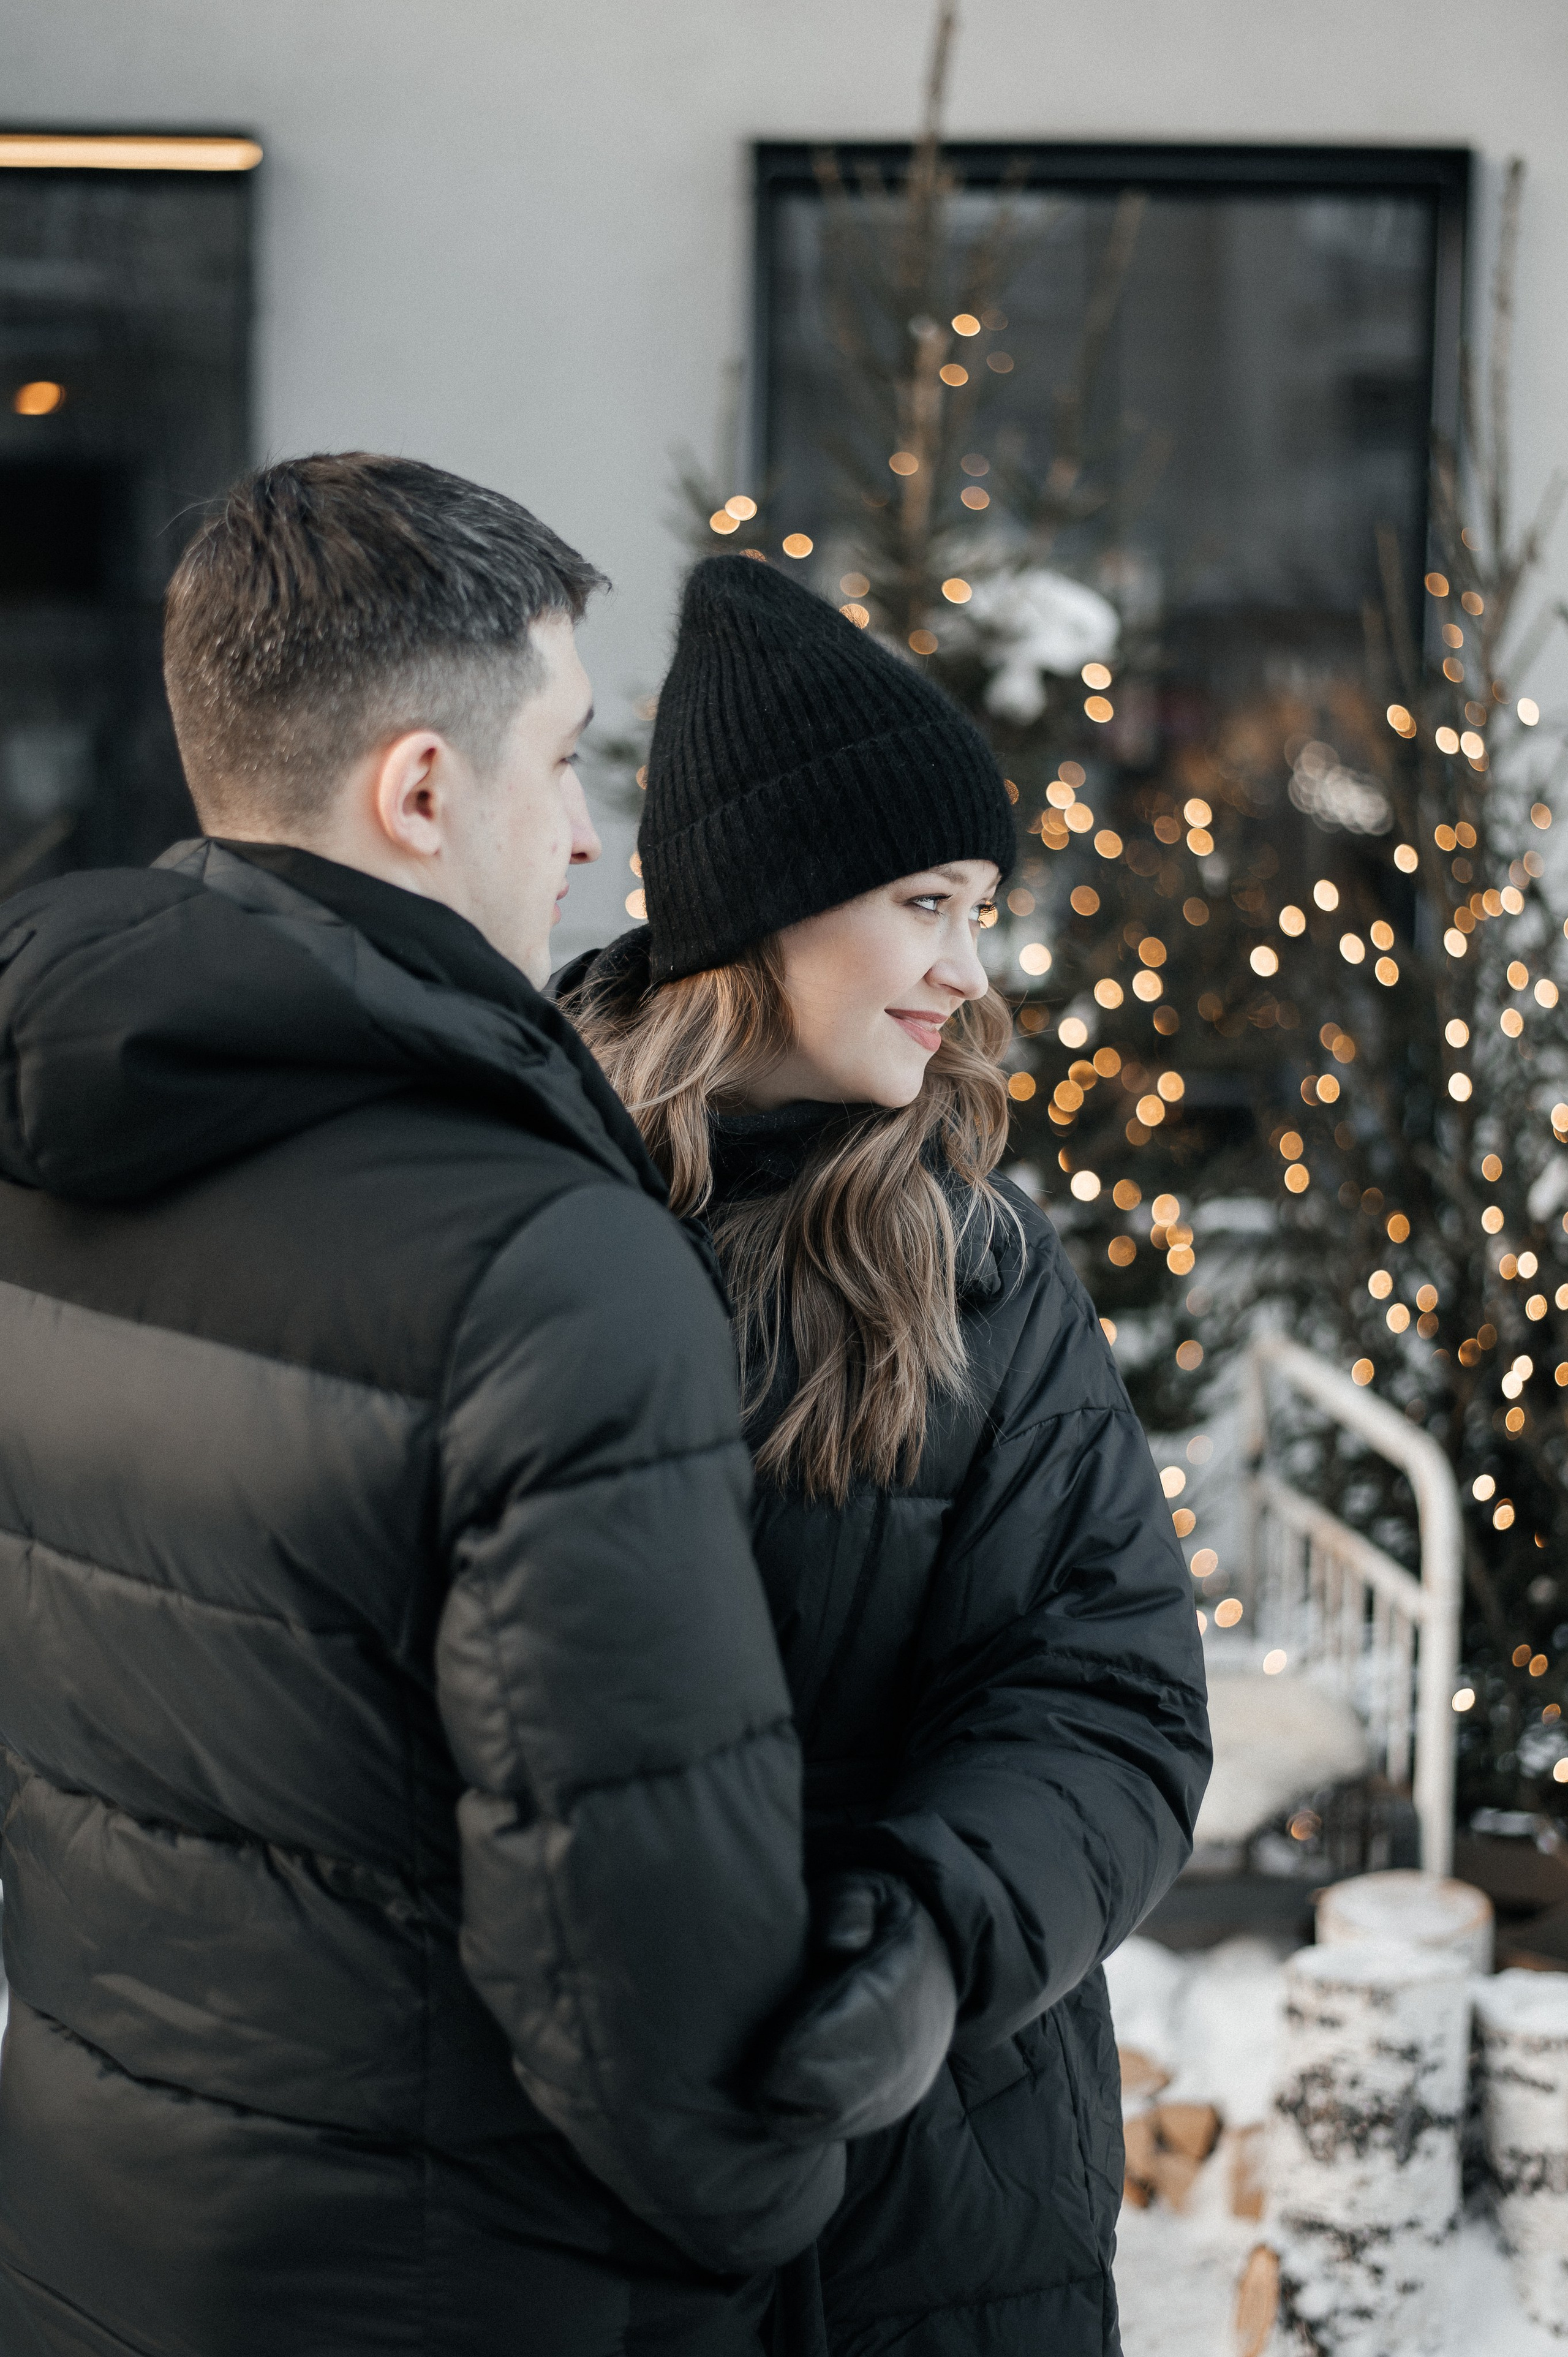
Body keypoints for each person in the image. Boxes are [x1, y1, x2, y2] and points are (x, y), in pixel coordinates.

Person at [0, 459, 938, 2357]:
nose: (589, 842)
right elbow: (640, 1970)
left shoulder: (36, 1163)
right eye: (570, 761)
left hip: (89, 2246)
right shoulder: (548, 1269)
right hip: (457, 2291)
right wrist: (767, 2220)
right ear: (424, 791)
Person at [562, 553, 1213, 2357]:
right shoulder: (524, 1214)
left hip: (944, 2201)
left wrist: (938, 1932)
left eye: (979, 907)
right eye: (925, 901)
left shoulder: (981, 1269)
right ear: (764, 911)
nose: (966, 971)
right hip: (582, 2187)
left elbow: (1111, 1688)